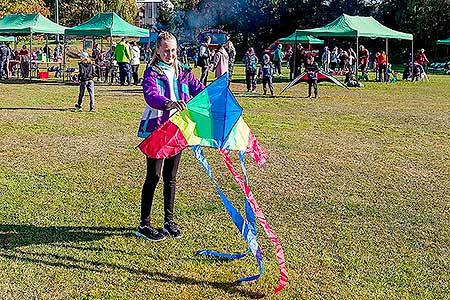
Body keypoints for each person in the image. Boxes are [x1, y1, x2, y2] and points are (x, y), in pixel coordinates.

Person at [136, 31, 205, 241]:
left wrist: (214, 94)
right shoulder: (152, 72)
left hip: (178, 129)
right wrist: (169, 103)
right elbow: (151, 96)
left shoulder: (183, 71)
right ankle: (144, 224)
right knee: (154, 176)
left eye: (173, 50)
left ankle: (169, 221)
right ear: (157, 50)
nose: (170, 54)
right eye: (166, 50)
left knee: (171, 177)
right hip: (158, 129)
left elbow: (199, 89)